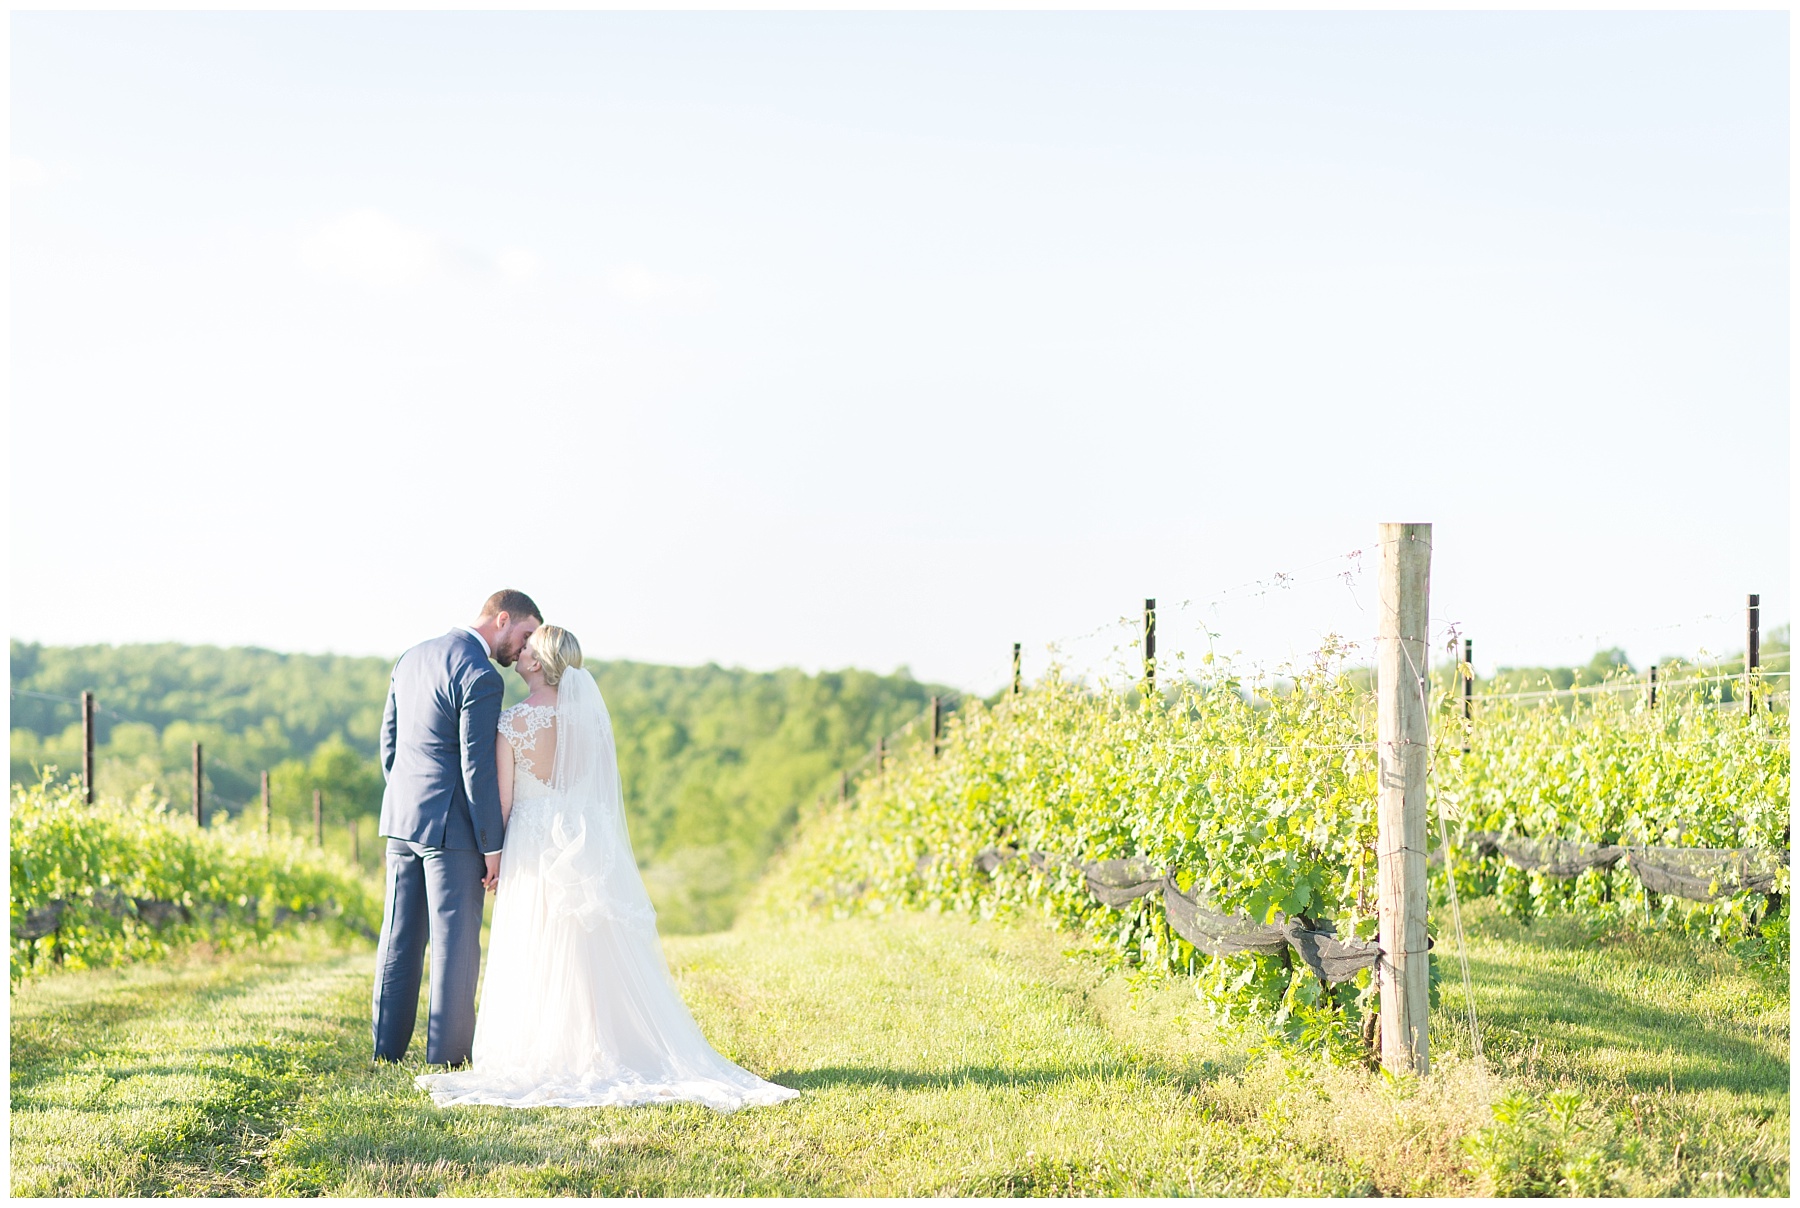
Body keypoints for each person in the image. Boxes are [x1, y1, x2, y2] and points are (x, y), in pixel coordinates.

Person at [414, 625, 798, 1111]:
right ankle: (600, 1043)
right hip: (584, 839)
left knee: (537, 942)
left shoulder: (512, 724)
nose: (521, 651)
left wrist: (494, 856)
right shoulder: (591, 721)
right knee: (587, 945)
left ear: (536, 664)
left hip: (534, 842)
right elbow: (596, 790)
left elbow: (504, 802)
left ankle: (552, 1047)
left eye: (528, 648)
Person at [372, 589, 542, 1066]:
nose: (525, 649)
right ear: (502, 619)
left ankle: (386, 1051)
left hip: (403, 818)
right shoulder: (482, 675)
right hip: (453, 830)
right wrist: (493, 845)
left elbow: (390, 743)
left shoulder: (411, 657)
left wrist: (406, 798)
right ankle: (446, 1059)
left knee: (397, 936)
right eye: (525, 635)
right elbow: (477, 770)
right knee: (455, 945)